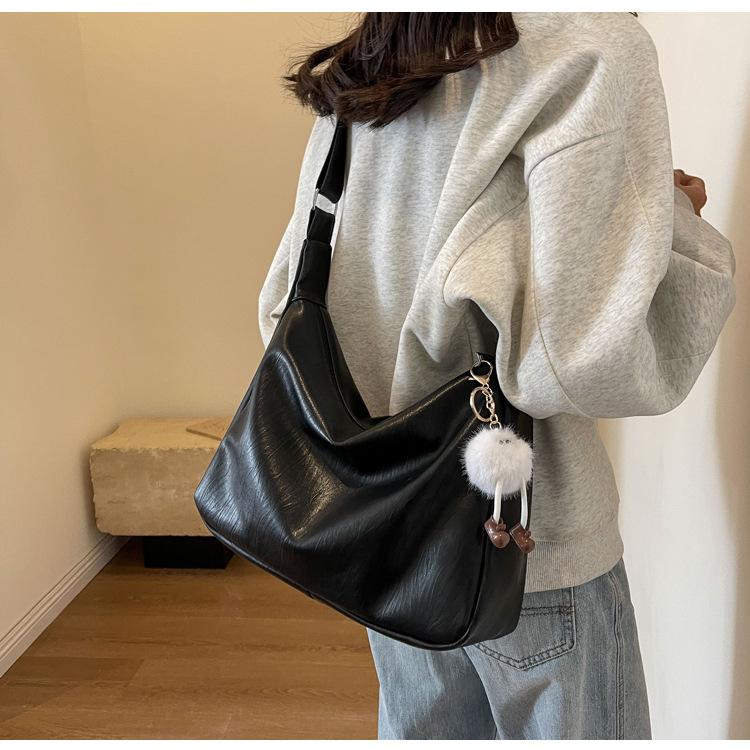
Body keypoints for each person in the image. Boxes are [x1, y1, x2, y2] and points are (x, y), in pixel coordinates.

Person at [258, 12, 736, 741]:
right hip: (524, 548)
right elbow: (585, 354)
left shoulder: (376, 62)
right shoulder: (589, 46)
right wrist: (675, 227)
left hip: (386, 538)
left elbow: (284, 306)